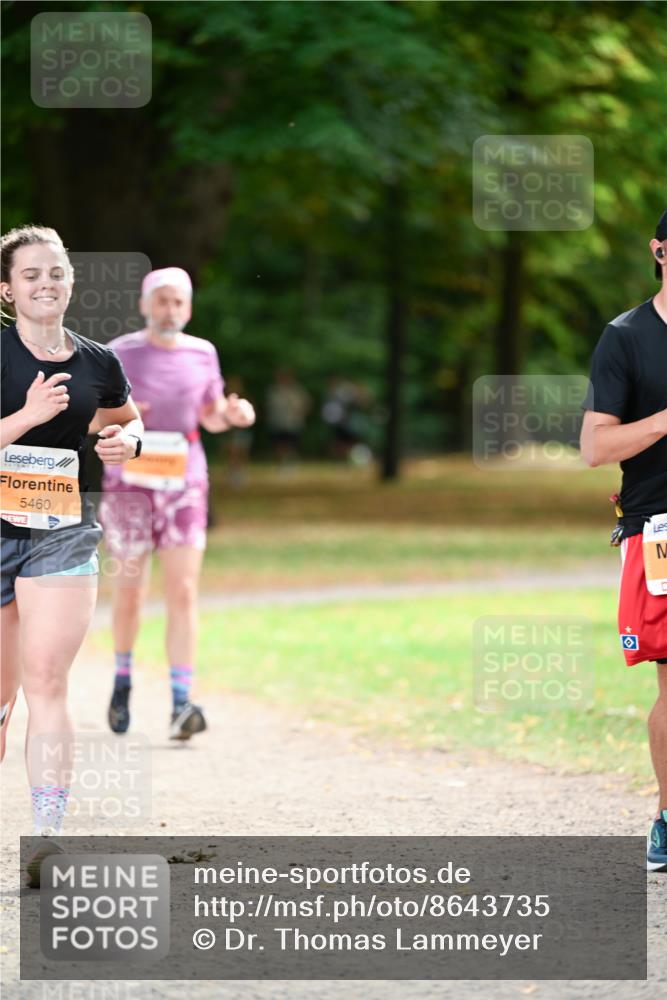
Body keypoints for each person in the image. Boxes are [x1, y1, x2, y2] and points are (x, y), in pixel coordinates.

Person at [0, 224, 143, 845]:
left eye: (56, 272)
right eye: (31, 274)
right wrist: (29, 417)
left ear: (71, 281)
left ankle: (47, 835)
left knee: (47, 681)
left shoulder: (98, 361)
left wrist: (123, 444)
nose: (45, 283)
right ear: (7, 289)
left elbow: (129, 424)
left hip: (63, 530)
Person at [98, 267, 255, 741]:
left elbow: (211, 415)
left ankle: (181, 701)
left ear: (188, 308)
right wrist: (126, 416)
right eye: (162, 301)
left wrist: (232, 415)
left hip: (185, 482)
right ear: (145, 304)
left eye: (179, 302)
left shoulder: (202, 353)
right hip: (130, 484)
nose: (170, 310)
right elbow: (96, 415)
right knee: (130, 590)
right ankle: (123, 680)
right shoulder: (119, 352)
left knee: (184, 591)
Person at [580, 208, 667, 872]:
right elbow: (594, 446)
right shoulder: (626, 337)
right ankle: (666, 817)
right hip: (660, 526)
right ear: (658, 250)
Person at [265, 367, 311, 468]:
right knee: (278, 444)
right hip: (277, 422)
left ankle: (290, 463)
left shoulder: (297, 390)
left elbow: (306, 404)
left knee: (291, 444)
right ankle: (281, 465)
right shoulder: (273, 390)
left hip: (292, 423)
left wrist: (301, 414)